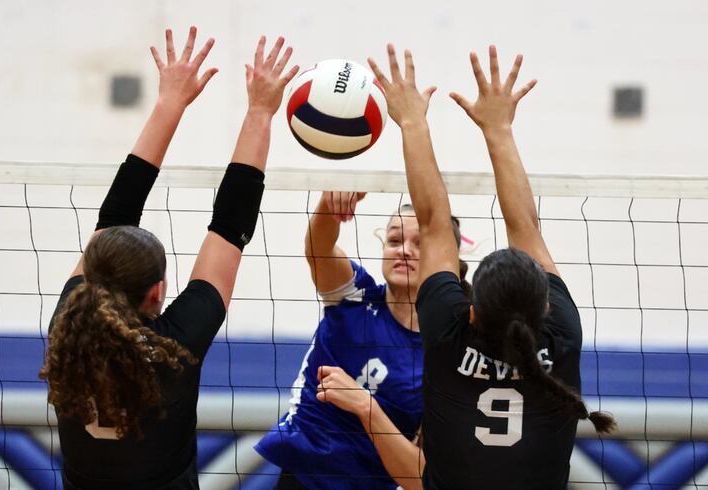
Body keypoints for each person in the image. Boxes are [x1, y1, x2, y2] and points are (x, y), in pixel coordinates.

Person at [39, 27, 298, 490]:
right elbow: (230, 226)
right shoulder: (174, 347)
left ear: (94, 271)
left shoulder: (68, 330)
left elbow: (123, 214)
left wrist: (169, 103)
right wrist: (261, 110)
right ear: (158, 292)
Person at [366, 44, 615, 489]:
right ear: (543, 307)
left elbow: (433, 223)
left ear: (473, 309)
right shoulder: (560, 339)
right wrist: (498, 130)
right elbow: (526, 228)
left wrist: (412, 121)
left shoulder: (447, 334)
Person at [255, 190, 468, 490]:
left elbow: (420, 479)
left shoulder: (446, 355)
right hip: (301, 478)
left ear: (449, 263)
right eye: (395, 241)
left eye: (419, 244)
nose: (403, 251)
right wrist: (329, 205)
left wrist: (365, 407)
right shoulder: (354, 297)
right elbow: (319, 248)